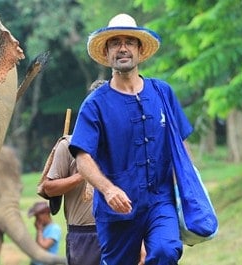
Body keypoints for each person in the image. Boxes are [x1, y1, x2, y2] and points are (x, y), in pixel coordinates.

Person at [69, 13, 190, 265]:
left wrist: (187, 185)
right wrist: (108, 189)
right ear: (107, 51)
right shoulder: (95, 104)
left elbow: (180, 144)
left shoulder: (162, 92)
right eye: (115, 43)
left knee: (166, 250)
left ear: (139, 49)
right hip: (116, 210)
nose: (123, 48)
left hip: (161, 201)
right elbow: (83, 158)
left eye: (129, 42)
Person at [37, 79, 106, 265]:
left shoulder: (122, 143)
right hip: (84, 237)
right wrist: (83, 173)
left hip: (119, 231)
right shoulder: (68, 145)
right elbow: (49, 188)